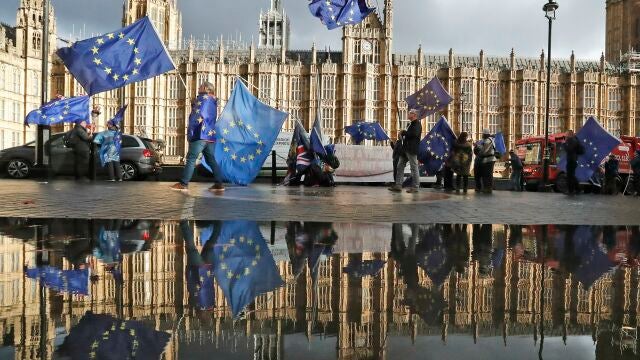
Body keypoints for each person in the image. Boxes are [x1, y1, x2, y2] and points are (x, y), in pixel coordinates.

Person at [170, 82, 224, 192]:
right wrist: (194, 105)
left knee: (191, 158)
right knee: (211, 160)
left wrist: (191, 131)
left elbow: (197, 117)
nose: (198, 88)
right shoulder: (213, 101)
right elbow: (204, 112)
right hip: (210, 135)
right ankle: (219, 184)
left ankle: (183, 184)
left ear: (205, 88)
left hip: (200, 134)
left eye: (200, 87)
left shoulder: (203, 98)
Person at [389, 109, 422, 193]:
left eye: (410, 113)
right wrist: (402, 135)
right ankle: (398, 185)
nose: (408, 114)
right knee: (399, 166)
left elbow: (414, 134)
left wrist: (404, 132)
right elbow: (407, 136)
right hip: (405, 149)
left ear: (414, 115)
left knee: (414, 167)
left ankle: (415, 186)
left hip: (411, 149)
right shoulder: (410, 124)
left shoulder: (417, 124)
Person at [475, 129, 497, 194]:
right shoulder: (491, 140)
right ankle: (487, 188)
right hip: (489, 159)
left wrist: (478, 149)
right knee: (488, 175)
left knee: (487, 175)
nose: (482, 135)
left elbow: (483, 151)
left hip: (488, 160)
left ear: (485, 134)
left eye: (483, 134)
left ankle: (487, 188)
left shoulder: (487, 141)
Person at [564, 129, 584, 195]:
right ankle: (577, 189)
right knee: (571, 175)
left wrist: (564, 144)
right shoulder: (575, 140)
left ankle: (571, 190)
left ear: (569, 134)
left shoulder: (571, 140)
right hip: (573, 159)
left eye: (566, 134)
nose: (565, 135)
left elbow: (569, 149)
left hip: (571, 160)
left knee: (570, 176)